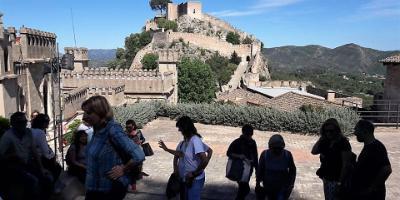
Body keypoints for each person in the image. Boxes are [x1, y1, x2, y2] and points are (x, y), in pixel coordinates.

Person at [82, 96, 145, 200]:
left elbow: (139, 155)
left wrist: (123, 169)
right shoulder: (97, 130)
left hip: (109, 190)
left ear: (100, 112)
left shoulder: (112, 129)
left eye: (88, 113)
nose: (84, 117)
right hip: (94, 189)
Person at [0, 112, 52, 200]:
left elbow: (34, 151)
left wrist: (41, 168)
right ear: (13, 124)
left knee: (48, 178)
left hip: (28, 163)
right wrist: (12, 156)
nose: (23, 124)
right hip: (14, 167)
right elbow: (2, 155)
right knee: (33, 181)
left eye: (24, 122)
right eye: (20, 122)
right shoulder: (7, 137)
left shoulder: (28, 133)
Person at [158, 116, 213, 200]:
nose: (179, 130)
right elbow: (180, 154)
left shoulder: (195, 140)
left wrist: (195, 172)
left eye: (180, 128)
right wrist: (167, 149)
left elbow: (205, 158)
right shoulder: (185, 142)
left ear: (186, 128)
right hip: (185, 179)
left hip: (195, 180)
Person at [311, 118, 354, 200]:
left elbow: (346, 165)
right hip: (327, 177)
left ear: (337, 130)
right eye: (326, 131)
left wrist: (340, 183)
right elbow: (314, 151)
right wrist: (321, 138)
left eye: (331, 131)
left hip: (337, 178)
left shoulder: (343, 143)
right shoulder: (325, 141)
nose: (328, 133)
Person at [351, 120, 392, 200]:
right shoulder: (369, 146)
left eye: (357, 130)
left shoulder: (376, 147)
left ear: (365, 131)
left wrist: (371, 188)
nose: (355, 133)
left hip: (371, 195)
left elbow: (387, 169)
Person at [256, 134, 296, 200]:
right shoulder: (265, 154)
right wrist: (258, 183)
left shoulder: (287, 154)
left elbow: (292, 170)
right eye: (275, 148)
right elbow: (260, 169)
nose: (277, 150)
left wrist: (291, 184)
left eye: (279, 148)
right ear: (270, 147)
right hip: (268, 185)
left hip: (282, 185)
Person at [226, 124, 258, 200]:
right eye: (248, 135)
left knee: (243, 189)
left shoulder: (252, 143)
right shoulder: (237, 142)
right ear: (243, 133)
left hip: (249, 170)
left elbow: (255, 156)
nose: (249, 137)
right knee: (245, 189)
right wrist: (239, 156)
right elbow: (228, 153)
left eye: (250, 135)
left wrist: (257, 169)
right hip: (238, 169)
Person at [31, 113, 61, 180]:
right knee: (58, 168)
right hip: (38, 159)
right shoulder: (40, 132)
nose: (47, 126)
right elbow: (46, 152)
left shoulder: (31, 130)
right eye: (47, 123)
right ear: (43, 123)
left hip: (31, 158)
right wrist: (53, 156)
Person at [125, 119, 147, 193]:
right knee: (131, 170)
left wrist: (140, 141)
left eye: (129, 127)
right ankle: (133, 186)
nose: (128, 128)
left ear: (133, 126)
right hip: (129, 154)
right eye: (127, 127)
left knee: (137, 169)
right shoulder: (125, 134)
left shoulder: (138, 132)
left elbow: (143, 139)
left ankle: (137, 176)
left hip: (138, 153)